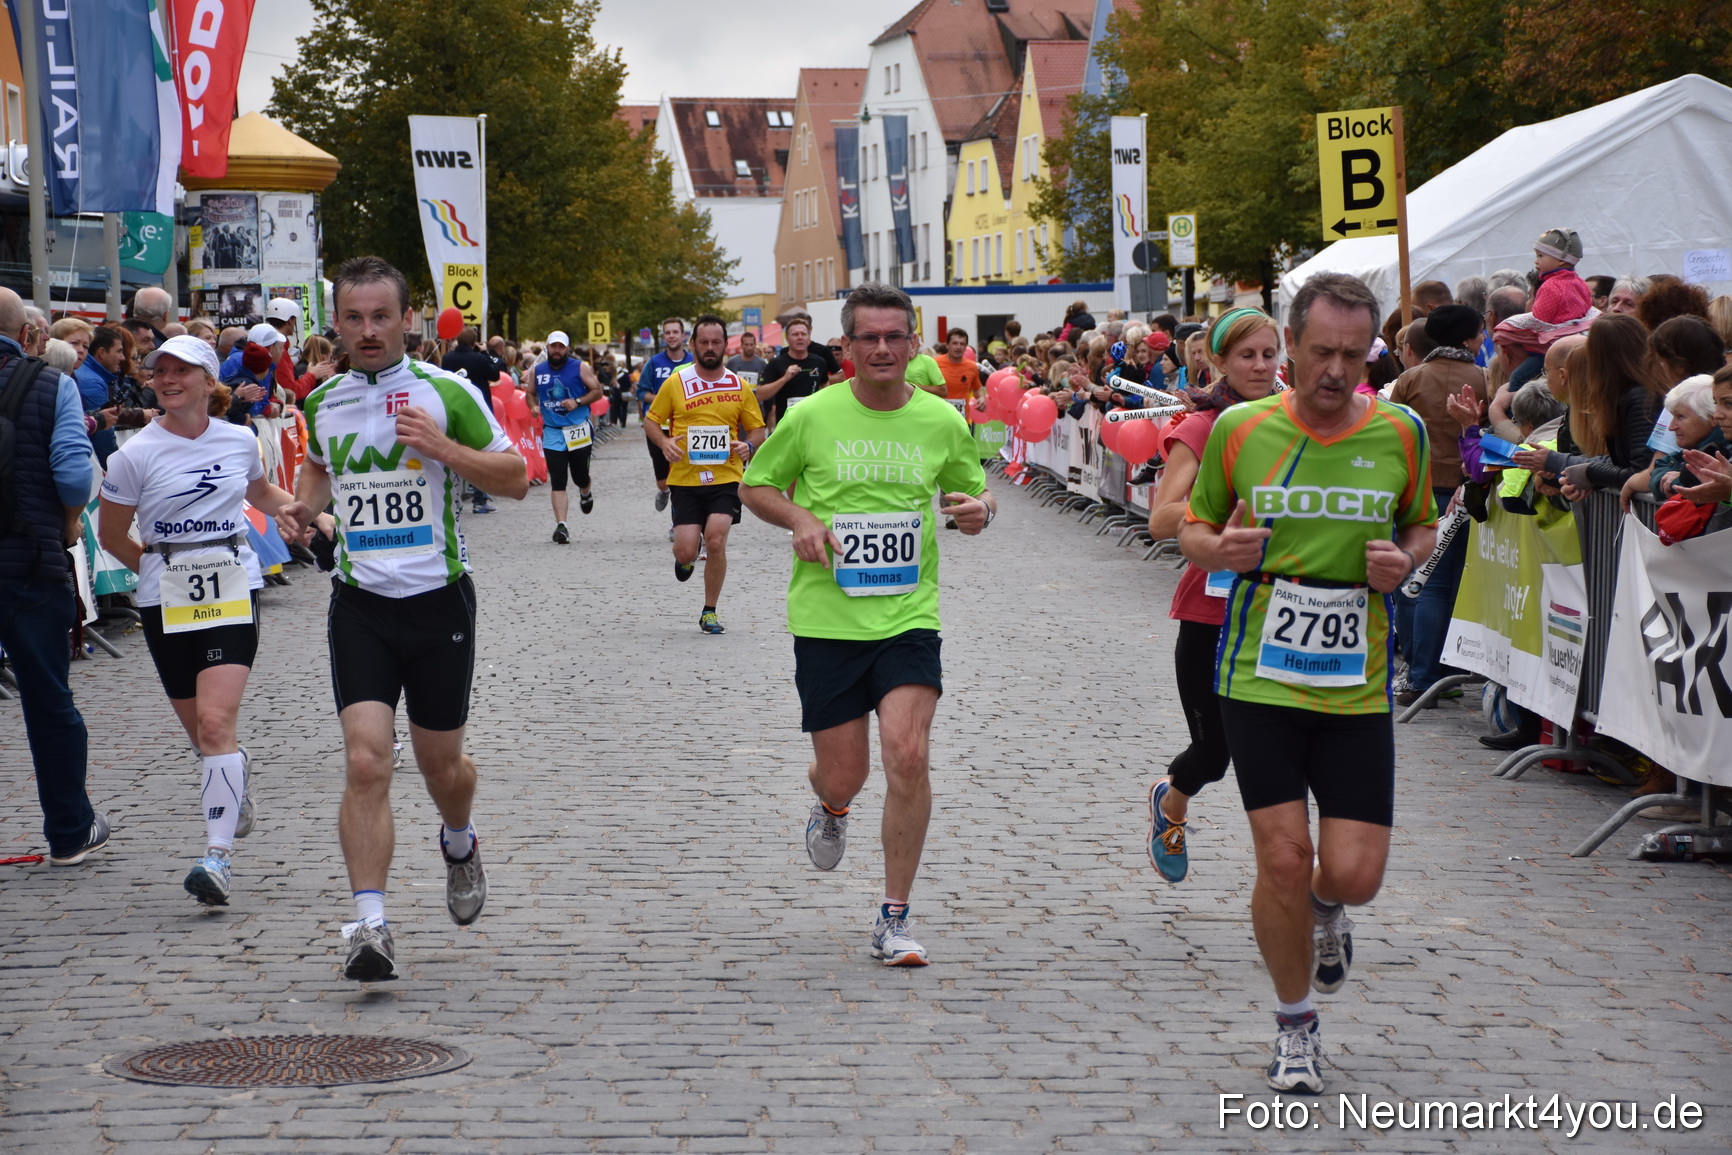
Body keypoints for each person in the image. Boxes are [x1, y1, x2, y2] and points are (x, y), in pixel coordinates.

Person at [1178, 272, 1437, 1095]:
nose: (1335, 369)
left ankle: (1331, 912)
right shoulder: (1240, 429)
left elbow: (1422, 522)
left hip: (1357, 681)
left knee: (1352, 872)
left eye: (1353, 354)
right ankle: (1295, 1025)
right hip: (1260, 675)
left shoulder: (1402, 430)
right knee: (1284, 859)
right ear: (1289, 345)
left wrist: (1407, 559)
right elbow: (1190, 523)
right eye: (1320, 351)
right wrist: (1219, 550)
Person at [275, 256, 529, 982]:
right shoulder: (324, 401)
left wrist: (442, 447)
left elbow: (514, 479)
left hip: (437, 598)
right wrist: (302, 504)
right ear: (339, 325)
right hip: (360, 602)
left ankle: (458, 836)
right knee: (364, 759)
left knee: (441, 766)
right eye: (353, 318)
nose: (368, 330)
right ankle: (370, 923)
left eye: (381, 315)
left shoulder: (447, 391)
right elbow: (321, 467)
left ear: (407, 318)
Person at [739, 282, 996, 968]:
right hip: (828, 618)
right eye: (868, 338)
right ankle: (831, 804)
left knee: (907, 753)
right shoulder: (813, 416)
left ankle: (895, 915)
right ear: (846, 347)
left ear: (913, 344)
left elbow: (972, 492)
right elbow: (755, 486)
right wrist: (800, 519)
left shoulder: (942, 420)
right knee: (844, 773)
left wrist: (979, 512)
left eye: (894, 336)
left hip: (909, 615)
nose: (882, 348)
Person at [96, 336, 299, 905]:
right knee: (203, 735)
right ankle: (232, 771)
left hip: (233, 587)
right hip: (168, 597)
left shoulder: (238, 441)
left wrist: (309, 514)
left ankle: (217, 858)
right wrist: (162, 568)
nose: (167, 378)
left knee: (214, 725)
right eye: (159, 370)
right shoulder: (133, 455)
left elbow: (260, 492)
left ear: (210, 382)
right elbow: (113, 536)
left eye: (182, 369)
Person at [1144, 306, 1281, 884]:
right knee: (1214, 754)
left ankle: (1290, 868)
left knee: (1281, 753)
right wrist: (1227, 512)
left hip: (1285, 609)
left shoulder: (1301, 421)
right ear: (1217, 361)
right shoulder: (1201, 426)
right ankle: (1170, 803)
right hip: (1212, 613)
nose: (1260, 366)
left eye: (1270, 354)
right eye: (1246, 355)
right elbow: (1161, 518)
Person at [0, 286, 107, 866]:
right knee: (47, 700)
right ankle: (69, 831)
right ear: (27, 334)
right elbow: (73, 476)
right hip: (29, 562)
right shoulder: (52, 384)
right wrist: (67, 528)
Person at [1388, 304, 1492, 706]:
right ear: (1467, 338)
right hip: (1466, 493)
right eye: (1480, 333)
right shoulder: (1484, 378)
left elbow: (1390, 435)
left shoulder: (1412, 378)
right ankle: (1436, 675)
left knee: (1417, 585)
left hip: (1417, 493)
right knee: (1445, 587)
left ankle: (1420, 673)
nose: (1484, 339)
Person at [645, 314, 766, 634]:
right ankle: (684, 558)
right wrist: (665, 442)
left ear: (726, 345)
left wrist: (749, 448)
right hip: (685, 478)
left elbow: (758, 430)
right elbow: (651, 421)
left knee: (715, 539)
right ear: (693, 345)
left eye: (716, 342)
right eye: (704, 342)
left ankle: (709, 610)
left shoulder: (739, 385)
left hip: (726, 476)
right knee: (686, 548)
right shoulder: (677, 382)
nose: (710, 348)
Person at [531, 330, 602, 543]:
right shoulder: (538, 370)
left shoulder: (580, 367)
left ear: (567, 349)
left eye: (561, 347)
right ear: (548, 347)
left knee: (580, 475)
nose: (557, 351)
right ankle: (562, 526)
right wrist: (533, 405)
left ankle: (585, 490)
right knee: (558, 480)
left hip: (577, 429)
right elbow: (530, 393)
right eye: (553, 346)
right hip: (553, 431)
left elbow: (597, 391)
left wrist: (578, 402)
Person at [442, 328, 501, 514]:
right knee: (478, 456)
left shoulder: (447, 358)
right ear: (473, 342)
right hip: (476, 411)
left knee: (453, 454)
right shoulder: (478, 358)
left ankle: (454, 498)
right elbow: (495, 375)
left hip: (452, 407)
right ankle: (479, 499)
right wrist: (484, 351)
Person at [639, 318, 693, 512]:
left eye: (675, 332)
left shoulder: (693, 363)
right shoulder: (654, 363)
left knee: (682, 474)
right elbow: (642, 392)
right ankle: (663, 491)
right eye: (667, 333)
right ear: (664, 337)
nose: (671, 336)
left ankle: (677, 521)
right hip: (659, 426)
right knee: (663, 480)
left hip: (685, 427)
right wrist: (663, 399)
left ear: (683, 336)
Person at [756, 316, 842, 427]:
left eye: (803, 334)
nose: (800, 338)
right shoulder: (776, 363)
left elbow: (825, 384)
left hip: (812, 424)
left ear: (808, 338)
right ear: (787, 339)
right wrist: (784, 378)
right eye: (795, 334)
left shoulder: (819, 362)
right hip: (787, 425)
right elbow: (760, 394)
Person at [935, 327, 983, 403]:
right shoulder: (935, 363)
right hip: (940, 413)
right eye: (955, 343)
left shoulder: (972, 366)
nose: (958, 347)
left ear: (966, 347)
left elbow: (977, 390)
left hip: (961, 414)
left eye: (962, 344)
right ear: (947, 345)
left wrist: (981, 399)